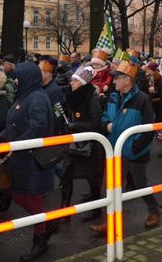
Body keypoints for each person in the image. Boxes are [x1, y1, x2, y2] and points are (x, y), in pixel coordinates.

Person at [90, 60, 161, 234]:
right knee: (112, 187)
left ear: (127, 79)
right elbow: (105, 116)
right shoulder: (113, 97)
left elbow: (148, 129)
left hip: (134, 153)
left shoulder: (143, 100)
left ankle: (154, 211)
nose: (113, 81)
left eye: (117, 78)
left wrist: (133, 148)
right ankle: (110, 223)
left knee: (140, 184)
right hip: (114, 151)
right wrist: (106, 125)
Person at [1, 62, 56, 261]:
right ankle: (47, 222)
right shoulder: (24, 95)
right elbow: (14, 122)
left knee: (30, 196)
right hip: (21, 157)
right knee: (18, 194)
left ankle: (40, 239)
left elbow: (38, 126)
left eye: (17, 77)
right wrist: (0, 139)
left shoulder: (38, 98)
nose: (15, 81)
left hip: (31, 158)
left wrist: (15, 145)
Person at [61, 66, 105, 222]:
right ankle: (64, 211)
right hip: (73, 143)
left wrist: (75, 126)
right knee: (66, 177)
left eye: (74, 80)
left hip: (90, 146)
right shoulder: (72, 96)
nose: (71, 83)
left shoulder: (92, 99)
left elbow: (95, 123)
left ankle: (96, 211)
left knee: (93, 180)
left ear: (82, 82)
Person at [39, 58, 66, 135]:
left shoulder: (55, 91)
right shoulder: (42, 87)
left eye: (40, 72)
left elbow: (57, 114)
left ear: (48, 73)